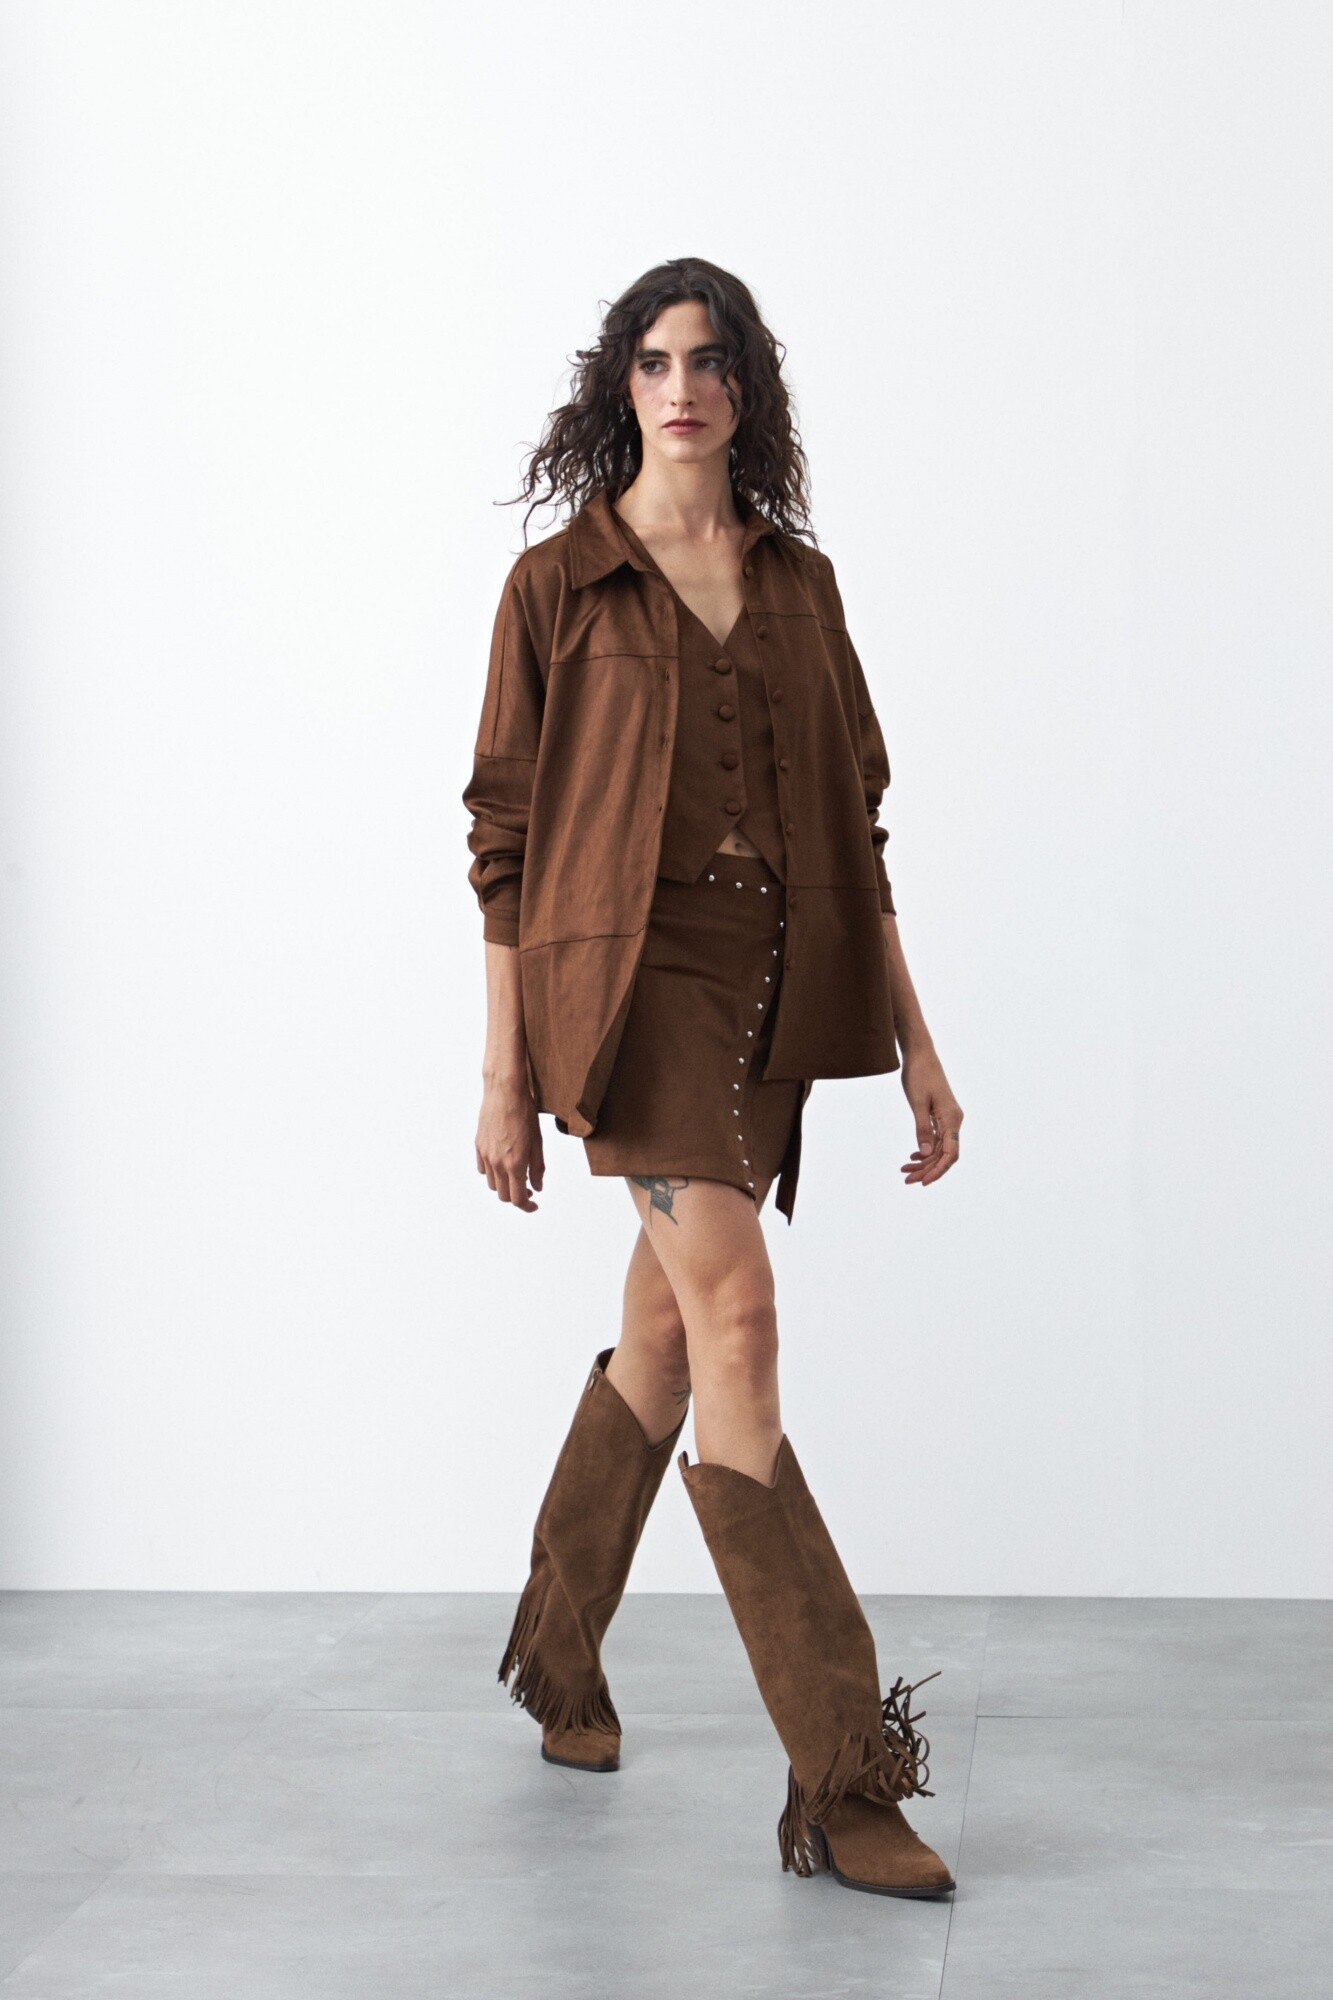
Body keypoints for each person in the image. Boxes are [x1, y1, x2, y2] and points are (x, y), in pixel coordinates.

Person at [462, 257, 964, 1899]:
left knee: (673, 1331)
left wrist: (915, 1040)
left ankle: (558, 1647)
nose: (682, 388)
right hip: (625, 992)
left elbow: (859, 824)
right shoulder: (556, 585)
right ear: (621, 385)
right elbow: (503, 842)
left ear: (747, 390)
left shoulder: (800, 584)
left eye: (711, 361)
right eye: (655, 360)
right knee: (739, 1317)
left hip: (775, 980)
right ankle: (842, 1774)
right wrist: (501, 1074)